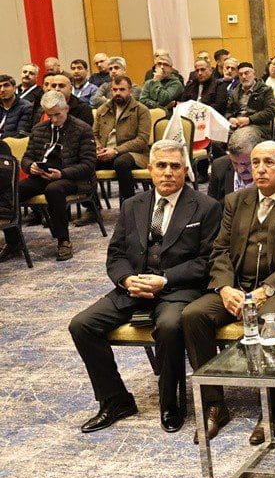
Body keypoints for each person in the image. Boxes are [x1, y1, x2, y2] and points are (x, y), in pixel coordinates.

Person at [68, 140, 222, 434]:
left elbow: (207, 261)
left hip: (177, 289)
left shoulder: (206, 207)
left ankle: (170, 403)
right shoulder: (132, 205)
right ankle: (116, 400)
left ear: (186, 170)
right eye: (161, 165)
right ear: (150, 168)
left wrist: (165, 279)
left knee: (169, 326)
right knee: (81, 325)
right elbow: (116, 254)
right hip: (134, 287)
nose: (168, 172)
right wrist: (127, 279)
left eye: (174, 166)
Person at [182, 141, 275, 445]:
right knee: (193, 315)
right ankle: (213, 404)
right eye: (255, 162)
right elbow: (219, 249)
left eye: (269, 162)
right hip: (237, 286)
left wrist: (265, 290)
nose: (260, 169)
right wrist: (224, 288)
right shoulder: (236, 200)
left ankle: (273, 408)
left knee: (267, 318)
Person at [0, 91, 96, 262]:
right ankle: (13, 241)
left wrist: (62, 173)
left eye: (57, 114)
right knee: (11, 191)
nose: (54, 119)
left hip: (73, 178)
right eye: (49, 115)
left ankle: (63, 240)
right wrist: (30, 166)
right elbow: (27, 157)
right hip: (42, 175)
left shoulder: (82, 129)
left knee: (54, 189)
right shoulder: (39, 128)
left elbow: (88, 165)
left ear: (66, 109)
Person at [92, 75, 151, 203]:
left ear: (130, 91)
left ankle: (128, 204)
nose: (117, 93)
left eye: (122, 89)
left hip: (134, 155)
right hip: (105, 153)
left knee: (121, 162)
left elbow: (142, 140)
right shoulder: (103, 109)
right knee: (85, 162)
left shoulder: (141, 110)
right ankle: (92, 205)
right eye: (115, 89)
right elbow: (94, 135)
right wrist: (98, 148)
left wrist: (116, 151)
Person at [225, 62, 275, 141]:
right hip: (237, 125)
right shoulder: (235, 91)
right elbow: (228, 110)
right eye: (241, 74)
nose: (244, 77)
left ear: (254, 74)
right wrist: (230, 118)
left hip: (257, 126)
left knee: (241, 139)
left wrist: (249, 119)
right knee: (216, 139)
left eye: (246, 73)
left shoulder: (265, 90)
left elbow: (270, 112)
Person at [0, 73, 33, 138]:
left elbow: (21, 134)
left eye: (6, 86)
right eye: (0, 87)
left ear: (15, 88)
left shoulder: (26, 107)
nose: (2, 90)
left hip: (12, 143)